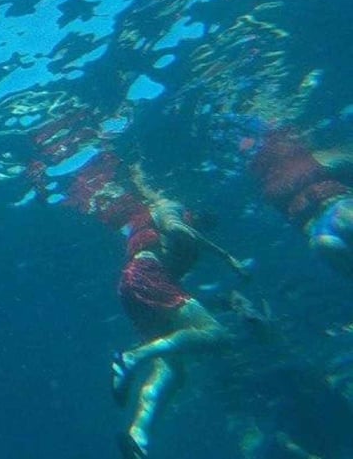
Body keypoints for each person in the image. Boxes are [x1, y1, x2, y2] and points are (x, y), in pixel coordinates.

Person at [109, 165, 246, 458]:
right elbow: (175, 228)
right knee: (216, 334)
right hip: (147, 273)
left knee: (171, 370)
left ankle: (138, 437)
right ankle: (133, 357)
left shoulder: (172, 236)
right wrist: (227, 256)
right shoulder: (169, 207)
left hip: (133, 282)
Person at [248, 127, 353, 277]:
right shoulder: (271, 188)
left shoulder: (270, 188)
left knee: (328, 243)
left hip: (331, 212)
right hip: (321, 222)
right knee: (328, 245)